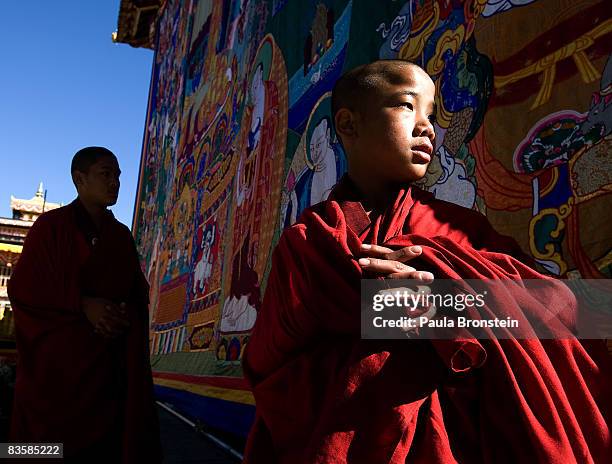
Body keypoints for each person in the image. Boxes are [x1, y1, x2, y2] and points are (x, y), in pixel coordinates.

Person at [242, 61, 611, 463]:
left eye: (431, 114)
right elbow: (266, 361)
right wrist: (386, 309)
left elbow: (559, 308)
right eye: (406, 106)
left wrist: (440, 303)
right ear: (348, 124)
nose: (428, 127)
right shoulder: (310, 242)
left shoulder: (464, 229)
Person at [8, 147, 161, 462]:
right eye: (106, 173)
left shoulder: (120, 237)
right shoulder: (50, 228)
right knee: (43, 450)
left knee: (102, 450)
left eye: (118, 175)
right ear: (80, 179)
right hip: (56, 373)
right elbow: (23, 288)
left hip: (105, 370)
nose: (115, 182)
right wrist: (83, 305)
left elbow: (135, 296)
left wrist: (119, 316)